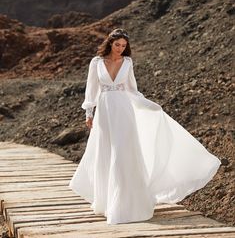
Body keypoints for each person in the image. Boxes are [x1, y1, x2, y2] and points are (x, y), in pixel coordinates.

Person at [69, 28, 221, 225]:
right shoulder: (96, 62)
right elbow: (91, 90)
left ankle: (126, 204)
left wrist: (150, 105)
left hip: (124, 110)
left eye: (124, 46)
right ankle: (107, 202)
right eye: (117, 45)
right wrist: (89, 112)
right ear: (110, 43)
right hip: (105, 112)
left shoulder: (128, 62)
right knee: (106, 151)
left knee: (124, 153)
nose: (120, 49)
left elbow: (132, 90)